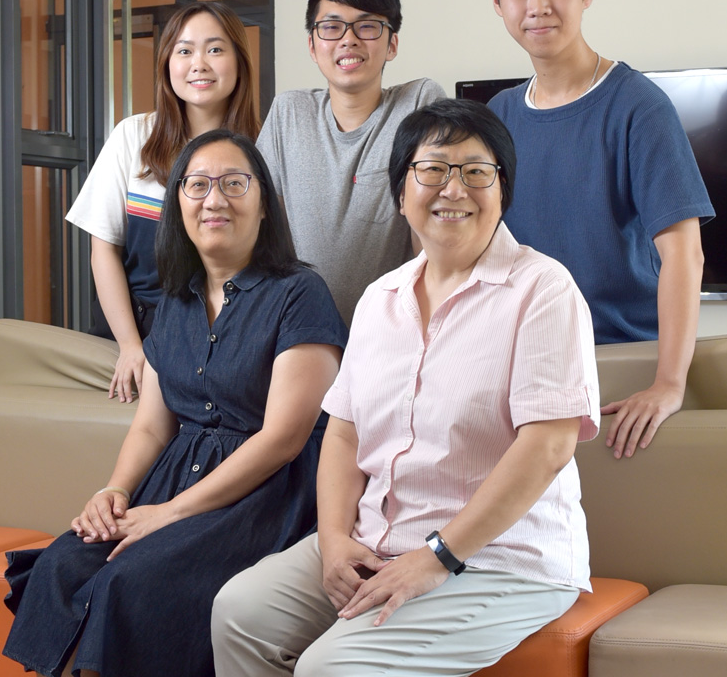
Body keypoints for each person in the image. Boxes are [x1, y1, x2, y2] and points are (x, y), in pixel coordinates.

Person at [212, 99, 599, 677]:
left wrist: (438, 557)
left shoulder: (542, 289)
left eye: (476, 171)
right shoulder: (380, 299)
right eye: (433, 169)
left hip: (499, 558)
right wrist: (336, 539)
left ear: (502, 190)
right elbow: (342, 436)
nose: (454, 188)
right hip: (377, 538)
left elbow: (547, 446)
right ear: (400, 193)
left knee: (330, 668)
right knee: (238, 611)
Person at [3, 131, 348, 677]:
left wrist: (168, 514)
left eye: (235, 183)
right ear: (177, 206)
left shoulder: (299, 292)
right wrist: (114, 491)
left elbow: (284, 438)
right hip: (173, 480)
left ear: (265, 206)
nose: (215, 199)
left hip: (263, 496)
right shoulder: (175, 300)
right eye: (198, 185)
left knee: (131, 581)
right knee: (63, 564)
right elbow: (151, 427)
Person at [484, 0, 715, 458]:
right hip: (520, 364)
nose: (537, 5)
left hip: (615, 360)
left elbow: (684, 255)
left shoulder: (638, 106)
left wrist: (668, 383)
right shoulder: (497, 116)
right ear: (497, 1)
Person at [65, 1, 261, 402]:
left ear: (239, 62)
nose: (199, 64)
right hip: (141, 327)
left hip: (233, 332)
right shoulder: (133, 137)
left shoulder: (265, 147)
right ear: (167, 63)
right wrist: (130, 346)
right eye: (184, 50)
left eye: (216, 49)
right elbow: (103, 250)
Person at [255, 0, 446, 323]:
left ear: (392, 44)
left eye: (367, 26)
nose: (349, 40)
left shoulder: (418, 103)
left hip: (393, 328)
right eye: (331, 27)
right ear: (312, 45)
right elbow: (262, 227)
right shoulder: (288, 112)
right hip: (299, 329)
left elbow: (429, 226)